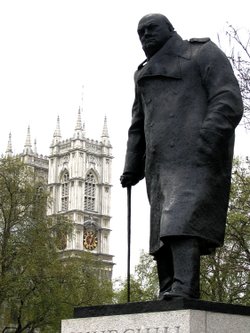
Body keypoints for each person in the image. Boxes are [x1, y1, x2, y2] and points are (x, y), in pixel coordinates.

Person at [120, 13, 243, 300]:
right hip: (159, 163)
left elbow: (228, 98)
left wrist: (208, 137)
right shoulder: (142, 74)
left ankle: (184, 285)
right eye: (140, 32)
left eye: (151, 29)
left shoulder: (201, 52)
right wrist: (131, 165)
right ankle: (171, 287)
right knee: (161, 229)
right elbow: (138, 123)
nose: (145, 36)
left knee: (180, 220)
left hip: (196, 156)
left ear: (169, 29)